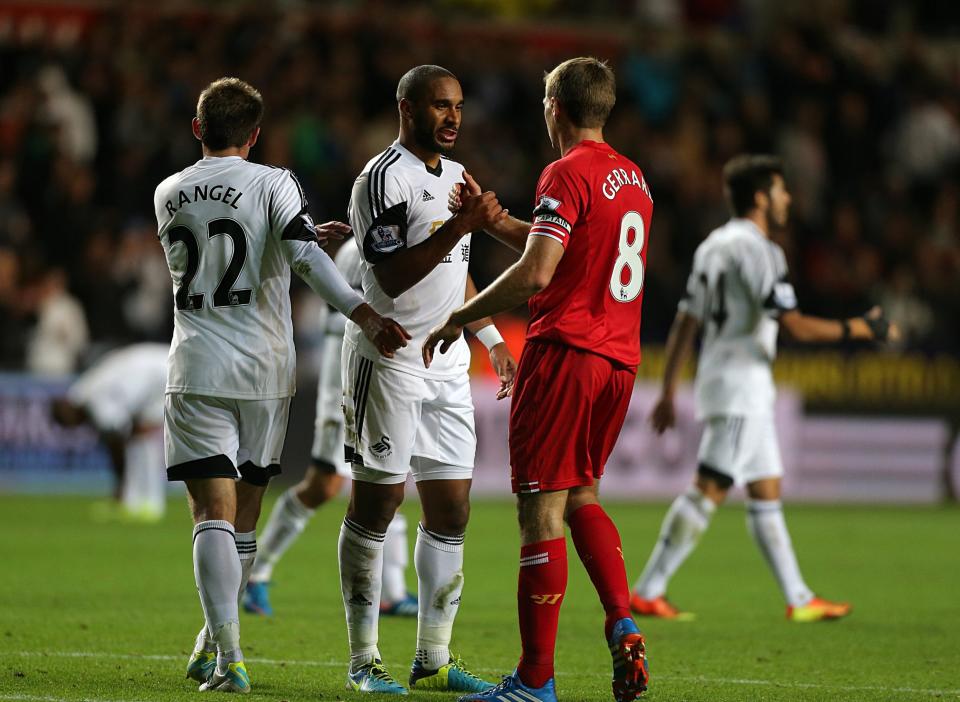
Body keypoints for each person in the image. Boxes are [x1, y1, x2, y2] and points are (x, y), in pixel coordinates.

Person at [154, 77, 409, 695]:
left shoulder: (168, 191)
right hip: (266, 371)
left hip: (197, 364)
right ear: (257, 134)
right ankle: (214, 643)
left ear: (197, 128)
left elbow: (225, 244)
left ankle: (227, 654)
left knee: (207, 513)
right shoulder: (276, 182)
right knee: (242, 514)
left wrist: (292, 236)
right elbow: (301, 258)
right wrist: (362, 311)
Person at [424, 57, 652, 702]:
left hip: (566, 354)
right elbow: (567, 251)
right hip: (618, 362)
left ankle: (534, 679)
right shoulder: (634, 180)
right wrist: (497, 225)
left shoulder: (566, 170)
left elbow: (538, 274)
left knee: (540, 510)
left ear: (557, 107)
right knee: (582, 495)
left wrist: (462, 317)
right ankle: (622, 621)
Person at [629, 154, 899, 623]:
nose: (788, 198)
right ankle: (649, 589)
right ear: (760, 197)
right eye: (781, 190)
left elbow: (685, 322)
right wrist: (860, 329)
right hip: (740, 387)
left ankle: (798, 598)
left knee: (766, 492)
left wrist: (671, 389)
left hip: (731, 381)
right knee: (710, 486)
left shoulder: (713, 245)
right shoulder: (762, 252)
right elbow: (792, 325)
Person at [338, 64, 515, 695]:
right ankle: (364, 660)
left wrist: (490, 338)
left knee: (452, 508)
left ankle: (433, 660)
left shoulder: (457, 179)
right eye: (440, 105)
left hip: (447, 362)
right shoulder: (381, 179)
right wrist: (460, 227)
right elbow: (388, 277)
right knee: (378, 502)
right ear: (406, 108)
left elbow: (456, 273)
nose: (453, 117)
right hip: (388, 358)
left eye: (459, 106)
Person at [243, 239, 417, 618]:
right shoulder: (361, 251)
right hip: (347, 380)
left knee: (387, 481)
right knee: (325, 484)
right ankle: (257, 573)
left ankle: (393, 592)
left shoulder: (409, 242)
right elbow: (344, 317)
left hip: (389, 377)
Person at [51, 342, 169, 522]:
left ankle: (147, 504)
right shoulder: (82, 391)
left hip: (161, 373)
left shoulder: (95, 400)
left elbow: (118, 436)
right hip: (156, 363)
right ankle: (136, 502)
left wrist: (119, 484)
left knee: (141, 437)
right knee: (139, 436)